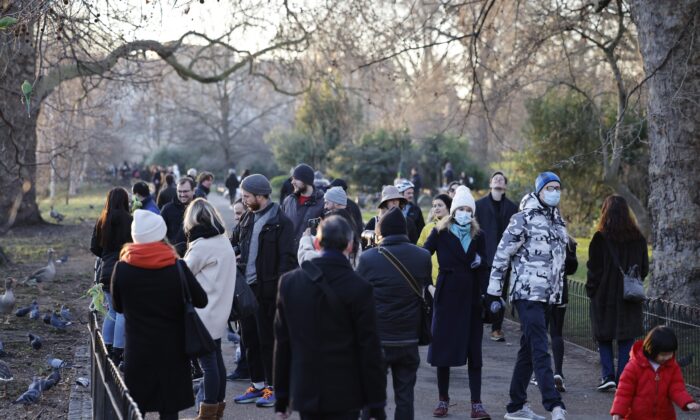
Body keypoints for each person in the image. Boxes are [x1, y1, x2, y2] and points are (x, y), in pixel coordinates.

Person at [274, 216, 387, 420]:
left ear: (316, 243)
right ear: (350, 246)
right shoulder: (360, 288)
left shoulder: (289, 283)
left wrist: (281, 397)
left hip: (305, 388)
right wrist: (376, 404)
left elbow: (283, 344)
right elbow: (370, 349)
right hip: (346, 392)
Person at [111, 210, 208, 420]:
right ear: (160, 234)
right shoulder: (177, 267)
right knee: (169, 407)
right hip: (172, 350)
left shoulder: (122, 269)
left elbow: (118, 307)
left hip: (138, 350)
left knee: (137, 408)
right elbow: (201, 300)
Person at [486, 171, 568, 420]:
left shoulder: (558, 221)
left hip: (548, 296)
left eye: (557, 188)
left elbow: (561, 261)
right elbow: (502, 255)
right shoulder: (522, 218)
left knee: (528, 350)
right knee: (540, 347)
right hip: (526, 293)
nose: (555, 192)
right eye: (549, 188)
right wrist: (493, 292)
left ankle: (515, 406)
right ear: (539, 191)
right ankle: (554, 405)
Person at [422, 186, 491, 419]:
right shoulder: (440, 232)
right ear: (453, 211)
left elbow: (484, 267)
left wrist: (486, 292)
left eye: (467, 209)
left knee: (474, 350)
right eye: (460, 208)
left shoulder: (478, 235)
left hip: (471, 297)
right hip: (446, 293)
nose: (464, 213)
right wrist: (428, 286)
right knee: (443, 349)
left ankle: (476, 403)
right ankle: (443, 399)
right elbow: (423, 256)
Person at [357, 207, 431, 420]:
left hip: (378, 338)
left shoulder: (368, 258)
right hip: (408, 338)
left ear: (381, 231)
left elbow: (360, 291)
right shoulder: (423, 256)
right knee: (405, 396)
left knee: (372, 396)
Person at [231, 174, 297, 408]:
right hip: (245, 290)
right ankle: (258, 384)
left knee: (269, 341)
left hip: (268, 291)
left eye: (247, 196)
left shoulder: (282, 223)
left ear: (260, 195)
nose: (244, 199)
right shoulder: (248, 216)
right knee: (248, 339)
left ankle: (275, 388)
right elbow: (236, 240)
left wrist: (280, 292)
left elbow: (287, 261)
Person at [586, 195, 649, 392]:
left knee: (603, 336)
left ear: (606, 212)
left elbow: (593, 270)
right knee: (626, 339)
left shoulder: (600, 238)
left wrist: (592, 290)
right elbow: (644, 269)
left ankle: (608, 376)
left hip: (604, 297)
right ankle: (623, 378)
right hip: (629, 298)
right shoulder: (638, 238)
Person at [183, 199, 237, 419]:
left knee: (208, 365)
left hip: (204, 312)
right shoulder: (222, 241)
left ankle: (207, 410)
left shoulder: (202, 246)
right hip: (220, 309)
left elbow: (184, 273)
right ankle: (217, 408)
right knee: (216, 362)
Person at [611, 326, 700, 419]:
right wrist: (618, 412)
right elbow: (624, 392)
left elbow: (677, 388)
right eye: (663, 355)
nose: (668, 357)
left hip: (664, 415)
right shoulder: (634, 366)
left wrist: (687, 402)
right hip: (637, 416)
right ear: (651, 350)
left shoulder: (672, 367)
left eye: (671, 353)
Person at [89, 187, 132, 365]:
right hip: (124, 269)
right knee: (122, 311)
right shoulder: (131, 220)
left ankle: (105, 347)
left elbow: (94, 247)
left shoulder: (102, 220)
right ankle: (118, 351)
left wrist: (106, 255)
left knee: (111, 311)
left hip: (106, 271)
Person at [475, 172, 518, 342]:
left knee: (501, 293)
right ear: (490, 183)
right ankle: (478, 323)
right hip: (484, 256)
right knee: (482, 292)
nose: (498, 179)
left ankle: (496, 328)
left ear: (505, 186)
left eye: (502, 179)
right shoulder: (479, 205)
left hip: (504, 258)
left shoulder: (513, 207)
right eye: (495, 178)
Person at [550, 236, 578, 393]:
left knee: (536, 333)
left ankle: (539, 371)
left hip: (539, 290)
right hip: (560, 289)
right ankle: (558, 371)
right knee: (556, 333)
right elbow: (572, 268)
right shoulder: (566, 239)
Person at [281, 163, 325, 250]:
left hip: (310, 256)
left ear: (306, 181)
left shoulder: (322, 203)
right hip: (288, 257)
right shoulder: (288, 201)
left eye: (295, 179)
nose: (292, 182)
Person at [417, 194, 452, 286]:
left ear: (448, 207)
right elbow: (420, 249)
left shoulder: (455, 226)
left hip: (451, 277)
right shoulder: (428, 227)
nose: (436, 208)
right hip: (432, 278)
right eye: (434, 206)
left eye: (440, 205)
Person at [161, 177, 195, 256]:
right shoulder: (167, 209)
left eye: (185, 191)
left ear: (193, 191)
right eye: (180, 191)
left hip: (196, 254)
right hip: (174, 255)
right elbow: (160, 233)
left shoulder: (201, 208)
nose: (182, 195)